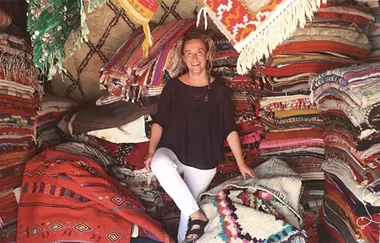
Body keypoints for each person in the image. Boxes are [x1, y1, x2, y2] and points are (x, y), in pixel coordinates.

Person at [144, 31, 255, 243]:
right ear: (183, 59)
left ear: (207, 56)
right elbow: (159, 121)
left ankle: (185, 234)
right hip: (174, 149)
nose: (194, 58)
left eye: (199, 52)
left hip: (204, 158)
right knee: (160, 162)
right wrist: (150, 152)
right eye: (189, 53)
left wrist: (241, 163)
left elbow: (229, 128)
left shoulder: (219, 91)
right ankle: (198, 216)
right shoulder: (174, 87)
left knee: (189, 206)